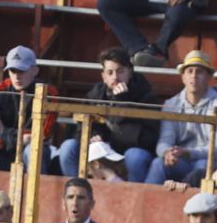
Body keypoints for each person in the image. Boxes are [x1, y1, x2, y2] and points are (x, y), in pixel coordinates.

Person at [54, 46, 159, 181]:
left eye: (120, 71)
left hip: (131, 149)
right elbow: (80, 126)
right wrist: (92, 135)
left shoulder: (145, 94)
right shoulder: (97, 93)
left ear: (130, 72)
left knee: (135, 156)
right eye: (110, 73)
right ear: (103, 76)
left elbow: (146, 139)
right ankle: (77, 189)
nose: (115, 77)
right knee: (68, 147)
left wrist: (122, 103)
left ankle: (133, 198)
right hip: (102, 148)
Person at [145, 48, 217, 186]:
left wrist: (188, 152)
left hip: (208, 163)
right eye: (189, 71)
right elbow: (164, 141)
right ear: (183, 77)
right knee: (159, 162)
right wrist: (167, 152)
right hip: (180, 160)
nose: (194, 76)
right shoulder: (171, 104)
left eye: (200, 71)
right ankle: (144, 204)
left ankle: (199, 206)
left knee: (203, 166)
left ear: (209, 77)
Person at [0, 44, 58, 171]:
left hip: (32, 150)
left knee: (33, 149)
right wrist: (19, 137)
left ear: (35, 70)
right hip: (2, 148)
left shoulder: (49, 93)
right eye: (12, 71)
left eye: (21, 71)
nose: (16, 76)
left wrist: (3, 131)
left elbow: (42, 135)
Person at [40, 177, 122, 223]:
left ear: (91, 204)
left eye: (81, 198)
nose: (75, 203)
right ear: (64, 204)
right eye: (70, 197)